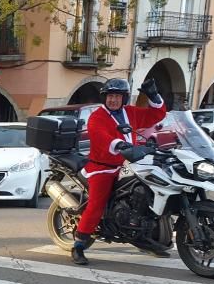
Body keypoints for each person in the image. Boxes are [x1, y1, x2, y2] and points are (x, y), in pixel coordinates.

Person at [71, 78, 167, 266]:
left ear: (124, 98)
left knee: (148, 191)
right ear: (105, 98)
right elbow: (100, 136)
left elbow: (155, 116)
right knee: (97, 204)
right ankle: (79, 245)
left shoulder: (129, 112)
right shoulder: (97, 117)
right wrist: (120, 144)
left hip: (128, 163)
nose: (113, 100)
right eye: (110, 96)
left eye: (117, 96)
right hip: (102, 167)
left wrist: (154, 95)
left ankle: (144, 236)